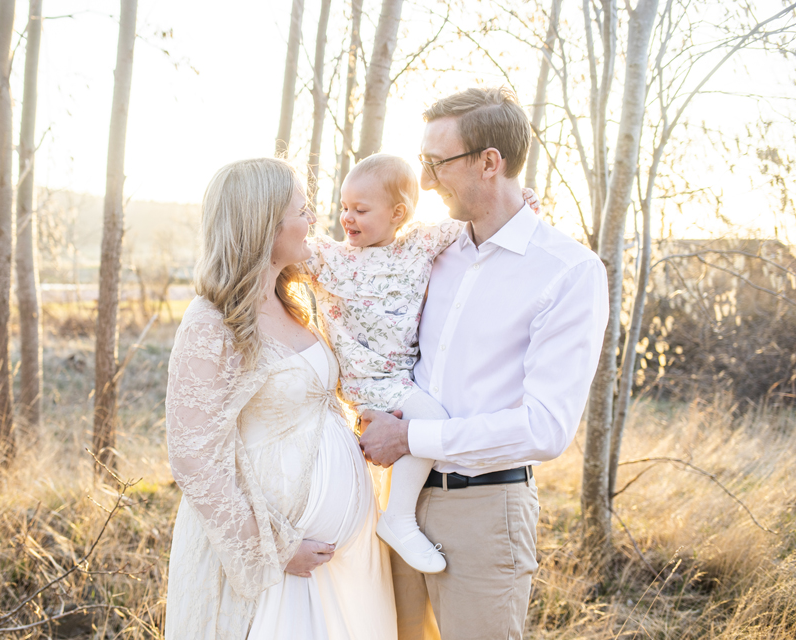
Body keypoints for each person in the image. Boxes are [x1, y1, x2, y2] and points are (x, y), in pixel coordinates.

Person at [358, 87, 609, 640]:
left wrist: (411, 439)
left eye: (435, 164)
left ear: (489, 162)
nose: (424, 182)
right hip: (397, 500)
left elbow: (545, 428)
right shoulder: (430, 250)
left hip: (485, 510)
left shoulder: (568, 271)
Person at [163, 157, 397, 640]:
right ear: (265, 225)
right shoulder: (213, 322)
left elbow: (399, 254)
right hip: (277, 567)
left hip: (345, 564)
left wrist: (509, 210)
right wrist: (272, 546)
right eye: (303, 209)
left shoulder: (297, 298)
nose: (315, 220)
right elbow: (193, 458)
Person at [304, 153, 539, 575]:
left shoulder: (420, 244)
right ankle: (398, 519)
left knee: (425, 421)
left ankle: (393, 513)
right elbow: (279, 250)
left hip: (402, 376)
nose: (346, 218)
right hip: (365, 379)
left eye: (360, 210)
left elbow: (483, 224)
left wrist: (524, 203)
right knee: (431, 418)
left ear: (398, 213)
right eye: (343, 207)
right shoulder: (330, 258)